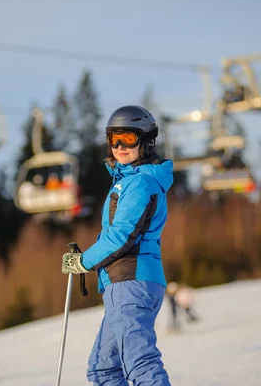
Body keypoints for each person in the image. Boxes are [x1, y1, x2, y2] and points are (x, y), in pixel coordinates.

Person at [61, 105, 173, 386]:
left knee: (140, 363)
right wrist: (87, 258)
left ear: (146, 141)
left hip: (131, 281)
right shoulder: (131, 181)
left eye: (129, 139)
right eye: (114, 139)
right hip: (127, 281)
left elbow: (122, 236)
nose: (120, 146)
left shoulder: (139, 184)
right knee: (103, 370)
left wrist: (84, 261)